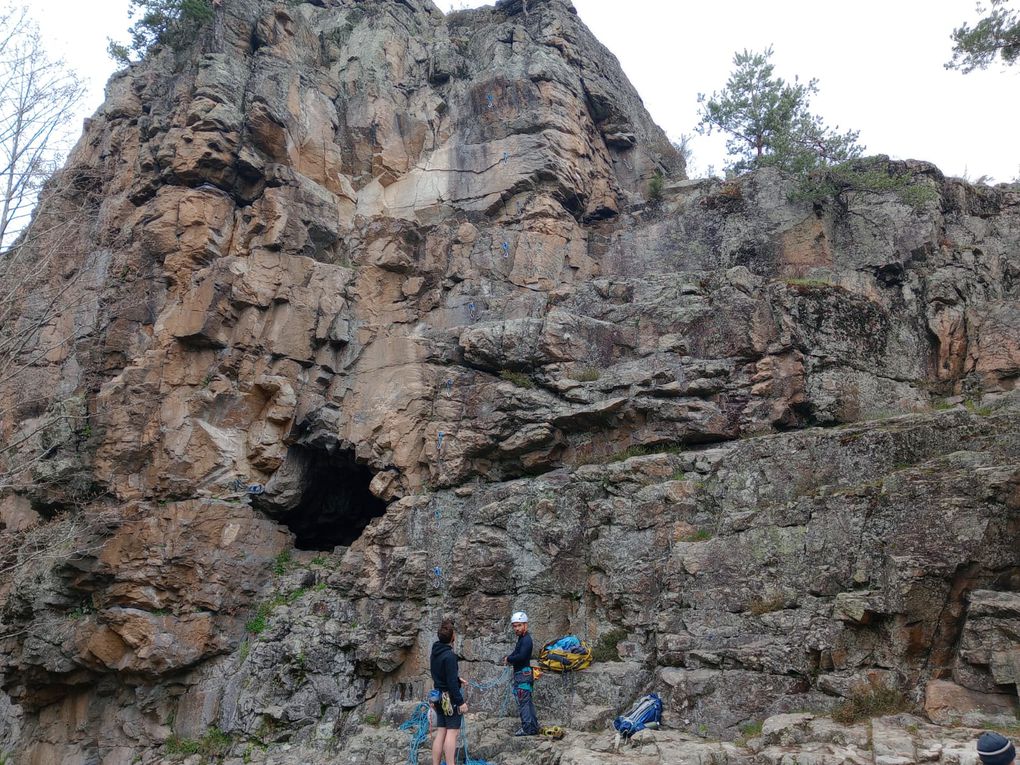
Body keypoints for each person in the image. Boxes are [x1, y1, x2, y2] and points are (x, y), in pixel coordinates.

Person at [430, 618, 467, 765]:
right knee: (452, 733)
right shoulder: (450, 656)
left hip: (438, 696)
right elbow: (451, 683)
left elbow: (442, 675)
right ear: (452, 637)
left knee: (441, 732)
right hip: (449, 700)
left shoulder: (435, 652)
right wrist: (461, 702)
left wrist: (458, 679)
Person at [503, 610, 539, 736]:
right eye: (515, 626)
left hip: (522, 675)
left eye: (519, 625)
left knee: (523, 702)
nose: (516, 628)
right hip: (523, 674)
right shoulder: (522, 639)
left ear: (525, 625)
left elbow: (522, 656)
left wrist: (510, 659)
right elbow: (516, 652)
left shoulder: (526, 640)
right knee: (527, 701)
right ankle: (533, 727)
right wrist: (509, 657)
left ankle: (527, 729)